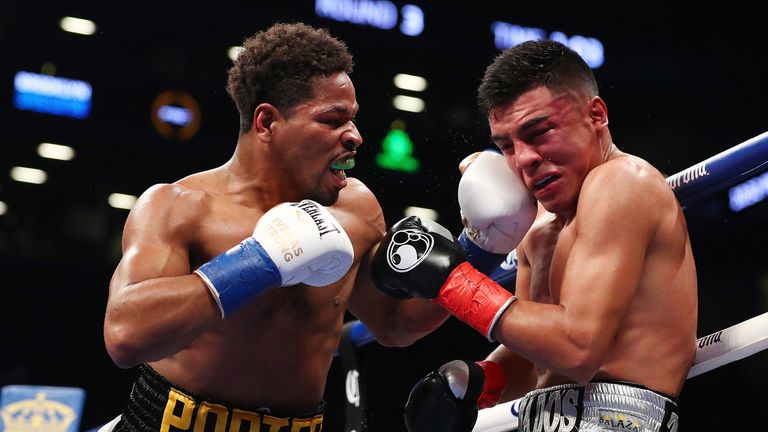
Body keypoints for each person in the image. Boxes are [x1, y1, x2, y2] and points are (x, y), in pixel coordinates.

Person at [101, 22, 451, 432]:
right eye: (333, 120)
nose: (354, 135)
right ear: (267, 122)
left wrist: (481, 248)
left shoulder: (355, 208)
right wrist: (258, 260)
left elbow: (393, 323)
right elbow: (125, 335)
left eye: (353, 119)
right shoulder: (179, 206)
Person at [371, 39, 698, 432]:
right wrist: (477, 381)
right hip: (539, 418)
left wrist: (452, 281)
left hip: (619, 419)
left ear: (596, 115)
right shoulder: (538, 225)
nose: (524, 159)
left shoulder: (623, 183)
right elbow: (537, 356)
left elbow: (578, 350)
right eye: (506, 146)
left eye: (539, 132)